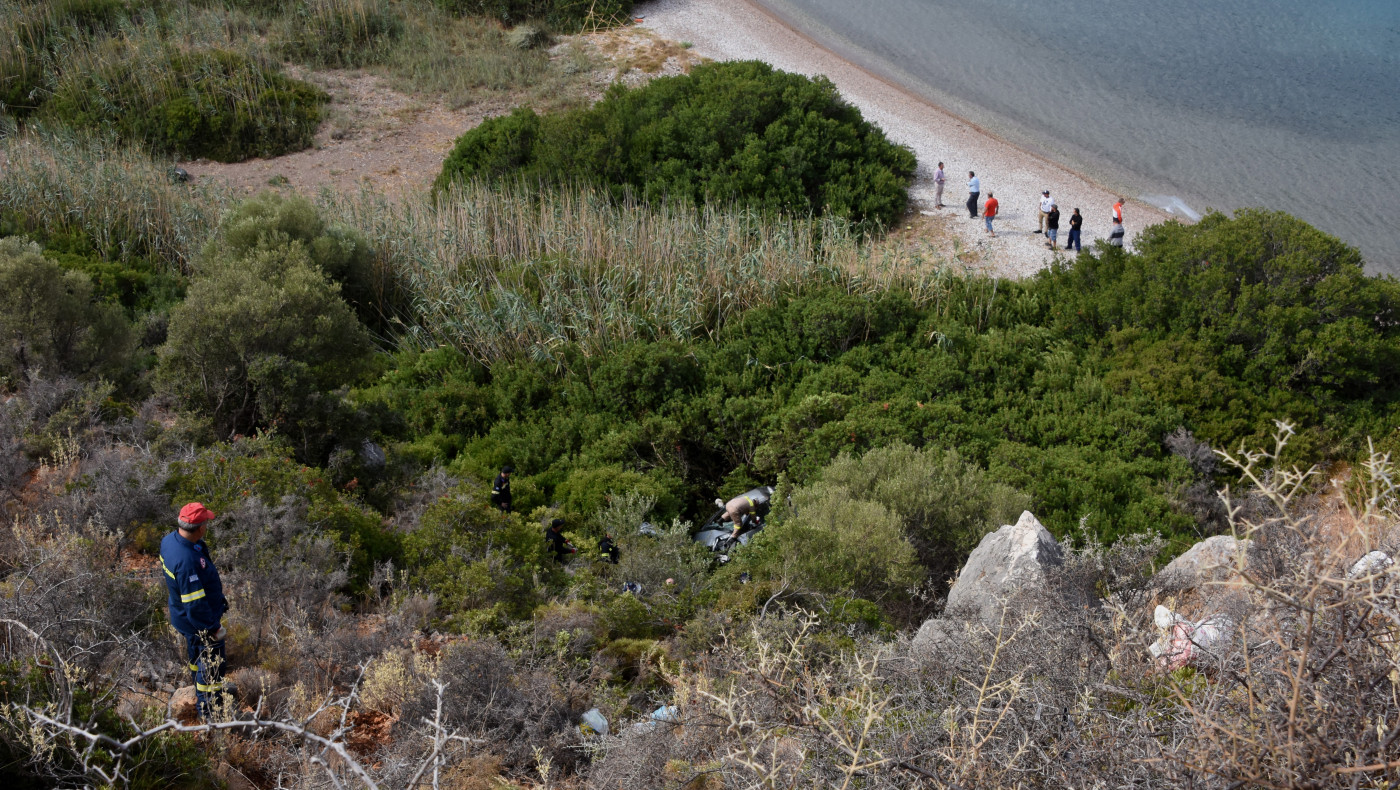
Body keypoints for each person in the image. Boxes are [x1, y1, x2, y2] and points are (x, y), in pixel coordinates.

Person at [160, 503, 230, 719]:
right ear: (199, 528)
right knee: (210, 666)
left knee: (196, 658)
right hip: (198, 623)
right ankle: (210, 714)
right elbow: (195, 605)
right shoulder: (187, 561)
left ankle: (199, 689)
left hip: (182, 617)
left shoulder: (169, 541)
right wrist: (213, 628)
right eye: (206, 523)